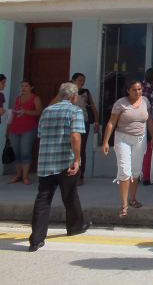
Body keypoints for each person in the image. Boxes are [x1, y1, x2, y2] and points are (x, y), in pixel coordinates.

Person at [28, 82, 92, 252]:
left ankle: (36, 239)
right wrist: (77, 160)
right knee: (70, 196)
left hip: (46, 161)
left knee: (43, 199)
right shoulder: (74, 111)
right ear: (73, 96)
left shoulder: (47, 111)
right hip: (65, 161)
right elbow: (75, 136)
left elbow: (40, 135)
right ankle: (74, 226)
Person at [101, 80, 153, 217]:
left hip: (140, 139)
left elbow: (149, 120)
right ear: (128, 91)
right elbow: (111, 122)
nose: (137, 92)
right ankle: (124, 204)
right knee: (125, 170)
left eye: (139, 89)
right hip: (122, 138)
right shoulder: (120, 103)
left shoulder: (145, 101)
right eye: (134, 90)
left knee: (136, 171)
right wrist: (105, 141)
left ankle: (132, 198)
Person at [50, 73, 99, 187]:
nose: (81, 83)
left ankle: (79, 176)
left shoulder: (85, 92)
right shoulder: (66, 93)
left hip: (83, 122)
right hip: (67, 123)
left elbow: (92, 106)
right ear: (73, 80)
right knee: (67, 148)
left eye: (83, 81)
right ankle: (64, 175)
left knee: (80, 149)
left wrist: (97, 122)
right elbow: (51, 104)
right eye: (79, 80)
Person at [7, 80, 44, 185]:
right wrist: (8, 128)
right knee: (16, 152)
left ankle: (25, 176)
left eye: (26, 86)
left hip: (28, 128)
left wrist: (26, 112)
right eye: (22, 86)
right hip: (14, 128)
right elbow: (12, 114)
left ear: (31, 87)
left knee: (25, 152)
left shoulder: (35, 98)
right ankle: (18, 175)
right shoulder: (18, 99)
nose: (23, 88)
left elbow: (39, 111)